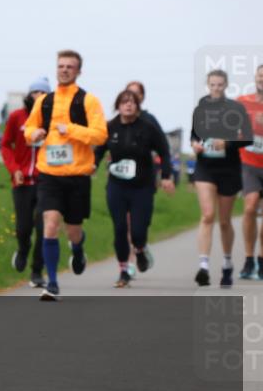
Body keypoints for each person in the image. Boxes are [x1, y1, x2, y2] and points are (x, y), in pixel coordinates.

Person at [22, 50, 108, 301]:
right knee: (49, 224)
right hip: (49, 174)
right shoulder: (44, 101)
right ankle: (52, 282)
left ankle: (78, 249)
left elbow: (100, 135)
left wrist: (70, 129)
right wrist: (33, 134)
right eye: (61, 66)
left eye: (70, 66)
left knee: (73, 230)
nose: (65, 70)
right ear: (56, 69)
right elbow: (28, 128)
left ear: (78, 71)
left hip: (78, 175)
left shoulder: (88, 101)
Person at [95, 89, 176, 287]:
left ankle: (140, 250)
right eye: (124, 102)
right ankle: (123, 270)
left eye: (132, 102)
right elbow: (99, 150)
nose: (128, 105)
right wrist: (92, 166)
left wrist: (166, 176)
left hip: (142, 186)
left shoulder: (147, 127)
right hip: (117, 185)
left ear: (137, 106)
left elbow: (164, 151)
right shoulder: (110, 127)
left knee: (138, 231)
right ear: (118, 106)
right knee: (120, 228)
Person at [190, 69, 254, 288]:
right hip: (205, 167)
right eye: (212, 85)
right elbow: (194, 134)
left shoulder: (235, 109)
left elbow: (247, 138)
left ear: (226, 86)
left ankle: (227, 264)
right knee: (208, 215)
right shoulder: (201, 108)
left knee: (224, 221)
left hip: (228, 169)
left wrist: (227, 144)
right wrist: (195, 145)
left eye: (219, 85)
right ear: (207, 85)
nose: (215, 88)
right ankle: (204, 267)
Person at [1, 77, 51, 288]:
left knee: (43, 227)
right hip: (21, 182)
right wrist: (14, 170)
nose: (38, 96)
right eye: (35, 92)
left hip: (45, 182)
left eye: (43, 93)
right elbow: (5, 145)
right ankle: (23, 248)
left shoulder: (52, 120)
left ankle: (37, 270)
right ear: (29, 95)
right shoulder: (16, 117)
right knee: (23, 228)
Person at [237, 64, 263, 279]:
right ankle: (248, 259)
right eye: (260, 76)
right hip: (249, 164)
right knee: (250, 206)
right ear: (255, 78)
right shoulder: (243, 102)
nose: (262, 79)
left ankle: (261, 260)